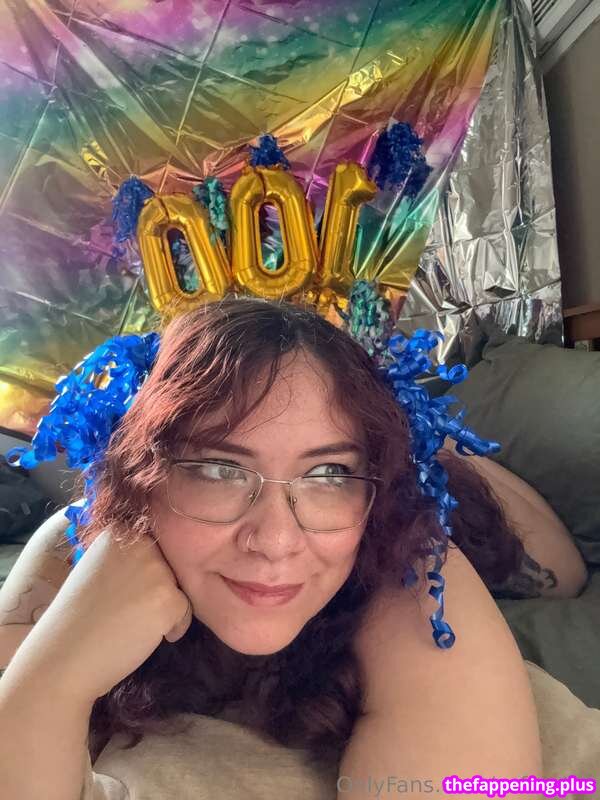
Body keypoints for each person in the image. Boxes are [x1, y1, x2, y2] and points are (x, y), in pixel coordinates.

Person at [0, 295, 578, 798]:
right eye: (219, 469)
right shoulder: (76, 545)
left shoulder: (412, 559)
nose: (275, 541)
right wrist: (54, 678)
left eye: (329, 472)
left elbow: (566, 576)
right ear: (137, 476)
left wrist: (430, 454)